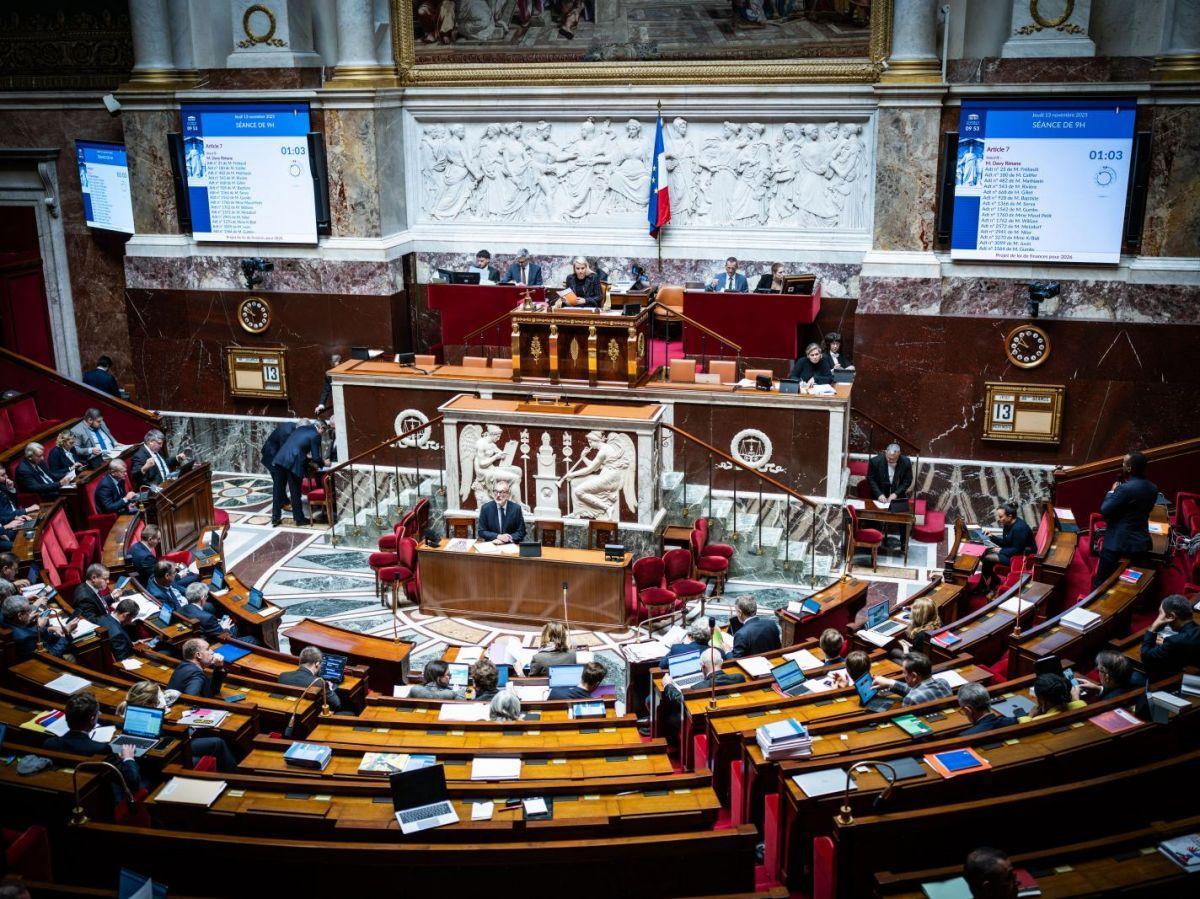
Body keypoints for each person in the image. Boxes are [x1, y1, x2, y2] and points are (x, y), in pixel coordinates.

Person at [119, 680, 237, 772]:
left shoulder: (129, 711)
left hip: (163, 749)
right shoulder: (146, 717)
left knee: (215, 743)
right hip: (163, 758)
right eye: (158, 700)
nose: (160, 702)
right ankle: (234, 778)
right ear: (149, 703)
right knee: (217, 743)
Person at [44, 691, 141, 791]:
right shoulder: (101, 749)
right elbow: (132, 781)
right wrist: (128, 758)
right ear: (92, 719)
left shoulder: (50, 743)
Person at [1093, 451, 1158, 587]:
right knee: (1131, 586)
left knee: (1101, 582)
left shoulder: (1124, 489)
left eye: (1123, 463)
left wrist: (1112, 492)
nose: (1122, 465)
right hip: (1140, 543)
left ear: (1129, 468)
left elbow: (1105, 510)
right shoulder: (1153, 488)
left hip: (1118, 544)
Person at [660, 648, 744, 739]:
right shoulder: (739, 678)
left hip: (706, 725)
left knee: (671, 716)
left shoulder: (697, 688)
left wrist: (668, 685)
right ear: (721, 662)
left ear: (702, 666)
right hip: (735, 721)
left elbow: (680, 700)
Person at [270, 420, 328, 527]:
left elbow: (296, 447)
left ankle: (275, 517)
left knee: (278, 489)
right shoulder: (315, 435)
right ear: (321, 428)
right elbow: (316, 458)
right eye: (323, 431)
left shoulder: (301, 428)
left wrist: (307, 459)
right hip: (293, 464)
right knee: (295, 491)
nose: (322, 434)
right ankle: (299, 519)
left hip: (280, 459)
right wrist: (324, 463)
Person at [1140, 594, 1200, 677]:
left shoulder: (1174, 641)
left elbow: (1146, 657)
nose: (1159, 617)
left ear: (1171, 616)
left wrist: (1153, 627)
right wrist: (1166, 643)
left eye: (1161, 613)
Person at [2, 592, 72, 660]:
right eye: (29, 610)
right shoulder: (26, 638)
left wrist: (49, 629)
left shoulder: (4, 618)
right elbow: (50, 656)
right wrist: (66, 634)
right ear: (20, 615)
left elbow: (25, 628)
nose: (32, 612)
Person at [981, 503, 1036, 583]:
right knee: (984, 552)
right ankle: (992, 580)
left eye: (1000, 517)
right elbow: (1006, 542)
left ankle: (986, 583)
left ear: (1009, 517)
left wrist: (1001, 551)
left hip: (1022, 556)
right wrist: (991, 536)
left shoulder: (1019, 528)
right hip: (1012, 551)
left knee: (988, 558)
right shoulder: (1007, 524)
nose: (998, 519)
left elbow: (1017, 550)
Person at [131, 528, 198, 592]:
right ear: (150, 539)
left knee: (190, 573)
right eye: (158, 539)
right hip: (160, 586)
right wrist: (178, 576)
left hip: (154, 580)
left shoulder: (134, 547)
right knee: (195, 576)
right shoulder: (147, 557)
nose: (159, 541)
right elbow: (160, 579)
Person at [873, 652, 952, 707]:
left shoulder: (911, 699)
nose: (903, 675)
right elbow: (919, 690)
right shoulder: (943, 682)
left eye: (904, 672)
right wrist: (890, 682)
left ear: (914, 676)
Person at [277, 646, 341, 711]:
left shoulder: (283, 676)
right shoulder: (319, 683)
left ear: (300, 661)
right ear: (317, 664)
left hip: (288, 710)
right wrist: (330, 688)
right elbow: (337, 705)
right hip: (311, 715)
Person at [260, 418, 298, 521]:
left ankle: (283, 502)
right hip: (272, 456)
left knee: (280, 483)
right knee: (279, 483)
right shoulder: (287, 433)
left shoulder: (295, 427)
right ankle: (277, 513)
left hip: (276, 453)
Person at [1018, 672, 1084, 722]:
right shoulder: (1080, 706)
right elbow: (1079, 704)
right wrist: (1076, 698)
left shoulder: (1036, 721)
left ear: (1041, 699)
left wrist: (1030, 715)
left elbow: (1026, 724)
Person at [477, 479, 525, 544]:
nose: (498, 495)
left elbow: (521, 531)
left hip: (510, 545)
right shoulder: (486, 508)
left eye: (502, 492)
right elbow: (481, 531)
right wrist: (498, 536)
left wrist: (508, 538)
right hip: (492, 544)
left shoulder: (516, 508)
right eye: (496, 491)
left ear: (508, 494)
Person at [97, 597, 141, 662]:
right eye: (133, 617)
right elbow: (123, 660)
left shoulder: (101, 618)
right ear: (126, 615)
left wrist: (130, 643)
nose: (131, 621)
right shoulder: (117, 634)